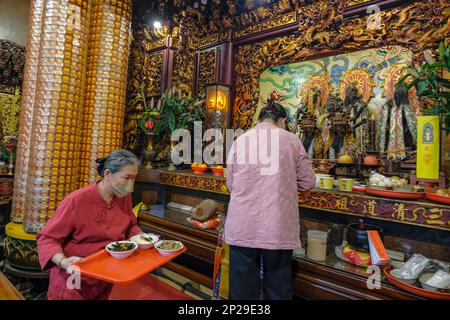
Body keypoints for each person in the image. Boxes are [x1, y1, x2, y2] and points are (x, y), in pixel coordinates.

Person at [225, 99, 315, 300]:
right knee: (278, 290)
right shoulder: (291, 140)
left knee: (242, 292)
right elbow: (308, 182)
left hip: (243, 226)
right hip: (277, 226)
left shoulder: (240, 140)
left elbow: (231, 185)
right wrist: (285, 184)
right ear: (282, 120)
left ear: (258, 120)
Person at [36, 149, 144, 300]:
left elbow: (130, 225)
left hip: (105, 275)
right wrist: (63, 261)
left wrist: (140, 236)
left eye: (134, 179)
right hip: (75, 277)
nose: (131, 184)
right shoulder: (76, 200)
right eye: (127, 178)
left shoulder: (123, 197)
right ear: (107, 174)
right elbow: (47, 238)